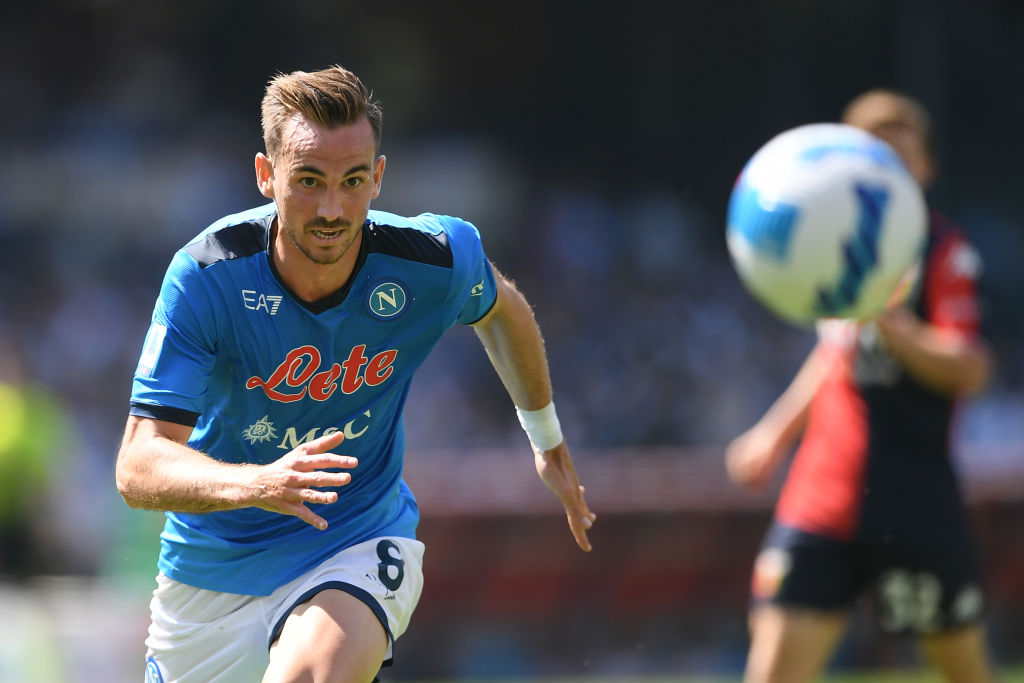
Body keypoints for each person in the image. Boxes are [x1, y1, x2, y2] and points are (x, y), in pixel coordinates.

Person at [115, 64, 596, 683]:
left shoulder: (433, 259)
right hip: (212, 569)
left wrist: (545, 436)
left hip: (356, 538)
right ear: (266, 176)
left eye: (353, 181)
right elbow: (138, 465)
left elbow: (503, 310)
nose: (332, 208)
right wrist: (260, 484)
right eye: (309, 181)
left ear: (379, 179)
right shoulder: (207, 276)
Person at [725, 89, 999, 683]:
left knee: (966, 673)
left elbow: (969, 368)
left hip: (916, 499)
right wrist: (773, 435)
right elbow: (834, 358)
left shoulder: (943, 251)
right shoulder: (835, 248)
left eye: (904, 160)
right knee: (772, 669)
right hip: (823, 497)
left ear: (926, 169)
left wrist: (886, 315)